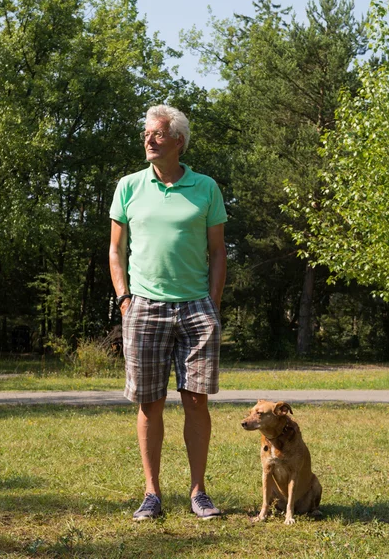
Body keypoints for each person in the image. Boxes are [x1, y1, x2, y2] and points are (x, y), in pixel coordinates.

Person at [109, 104, 227, 521]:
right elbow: (115, 250)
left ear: (178, 139)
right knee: (149, 402)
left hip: (196, 307)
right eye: (146, 132)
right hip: (143, 306)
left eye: (157, 133)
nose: (149, 139)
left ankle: (199, 492)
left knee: (196, 401)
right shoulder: (129, 186)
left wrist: (211, 303)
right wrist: (125, 298)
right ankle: (152, 494)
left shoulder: (206, 187)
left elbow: (217, 253)